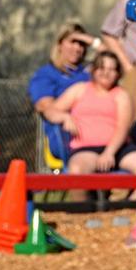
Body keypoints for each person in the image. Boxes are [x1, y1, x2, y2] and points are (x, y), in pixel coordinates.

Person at [45, 53, 136, 184]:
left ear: (118, 74)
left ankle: (130, 205)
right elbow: (50, 111)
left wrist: (109, 153)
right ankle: (85, 204)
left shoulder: (122, 95)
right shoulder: (79, 89)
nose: (106, 73)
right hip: (86, 148)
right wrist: (64, 117)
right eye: (102, 68)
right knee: (76, 170)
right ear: (94, 70)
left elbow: (122, 128)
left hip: (119, 149)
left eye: (111, 69)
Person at [29, 22, 95, 166]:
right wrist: (65, 116)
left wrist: (92, 41)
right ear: (59, 44)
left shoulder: (90, 72)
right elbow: (44, 105)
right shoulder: (47, 74)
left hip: (98, 131)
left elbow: (115, 57)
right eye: (72, 42)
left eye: (82, 44)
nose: (77, 48)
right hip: (68, 135)